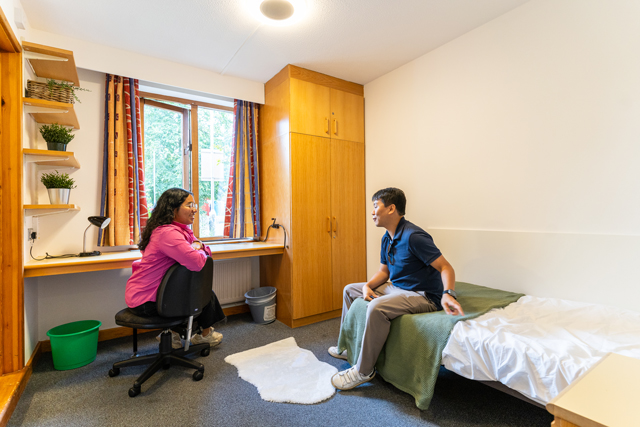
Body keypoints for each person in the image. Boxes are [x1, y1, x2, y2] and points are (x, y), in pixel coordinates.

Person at [329, 187, 464, 390]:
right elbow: (384, 273)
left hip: (422, 295)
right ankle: (350, 345)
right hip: (397, 287)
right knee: (350, 290)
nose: (372, 212)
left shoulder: (414, 236)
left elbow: (446, 267)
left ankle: (363, 371)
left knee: (377, 308)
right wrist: (366, 286)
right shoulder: (387, 238)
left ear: (391, 208)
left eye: (376, 206)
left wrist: (448, 294)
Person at [125, 187, 226, 349]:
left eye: (195, 204)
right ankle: (201, 335)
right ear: (173, 209)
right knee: (201, 292)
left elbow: (206, 251)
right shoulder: (167, 234)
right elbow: (197, 262)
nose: (195, 209)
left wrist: (198, 246)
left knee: (200, 290)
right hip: (146, 300)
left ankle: (177, 334)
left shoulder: (182, 230)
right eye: (189, 205)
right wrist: (198, 248)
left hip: (158, 293)